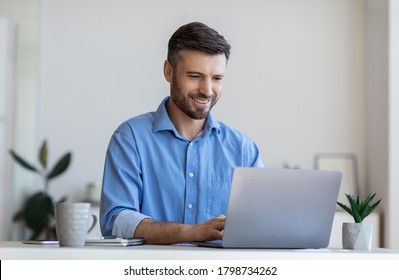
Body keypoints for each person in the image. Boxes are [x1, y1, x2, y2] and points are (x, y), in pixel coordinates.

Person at [100, 22, 263, 245]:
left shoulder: (244, 151)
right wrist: (192, 232)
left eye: (217, 78)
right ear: (168, 71)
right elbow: (115, 220)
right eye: (195, 76)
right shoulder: (130, 139)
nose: (207, 90)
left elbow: (261, 225)